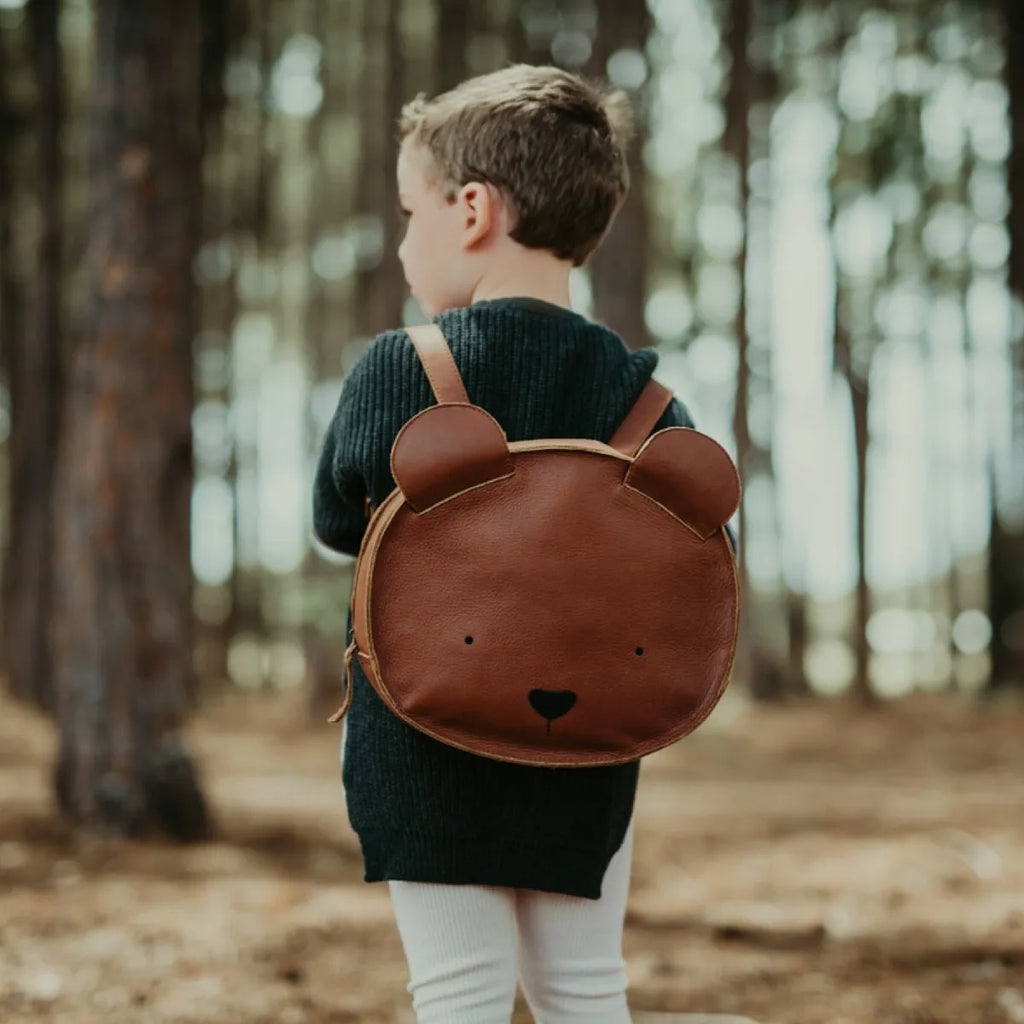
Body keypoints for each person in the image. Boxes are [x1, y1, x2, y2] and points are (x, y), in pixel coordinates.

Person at [312, 63, 734, 1024]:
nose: (408, 240)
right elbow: (695, 555)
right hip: (591, 746)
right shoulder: (647, 399)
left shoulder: (400, 365)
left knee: (456, 996)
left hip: (425, 742)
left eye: (410, 213)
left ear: (471, 211)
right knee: (585, 991)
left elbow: (342, 523)